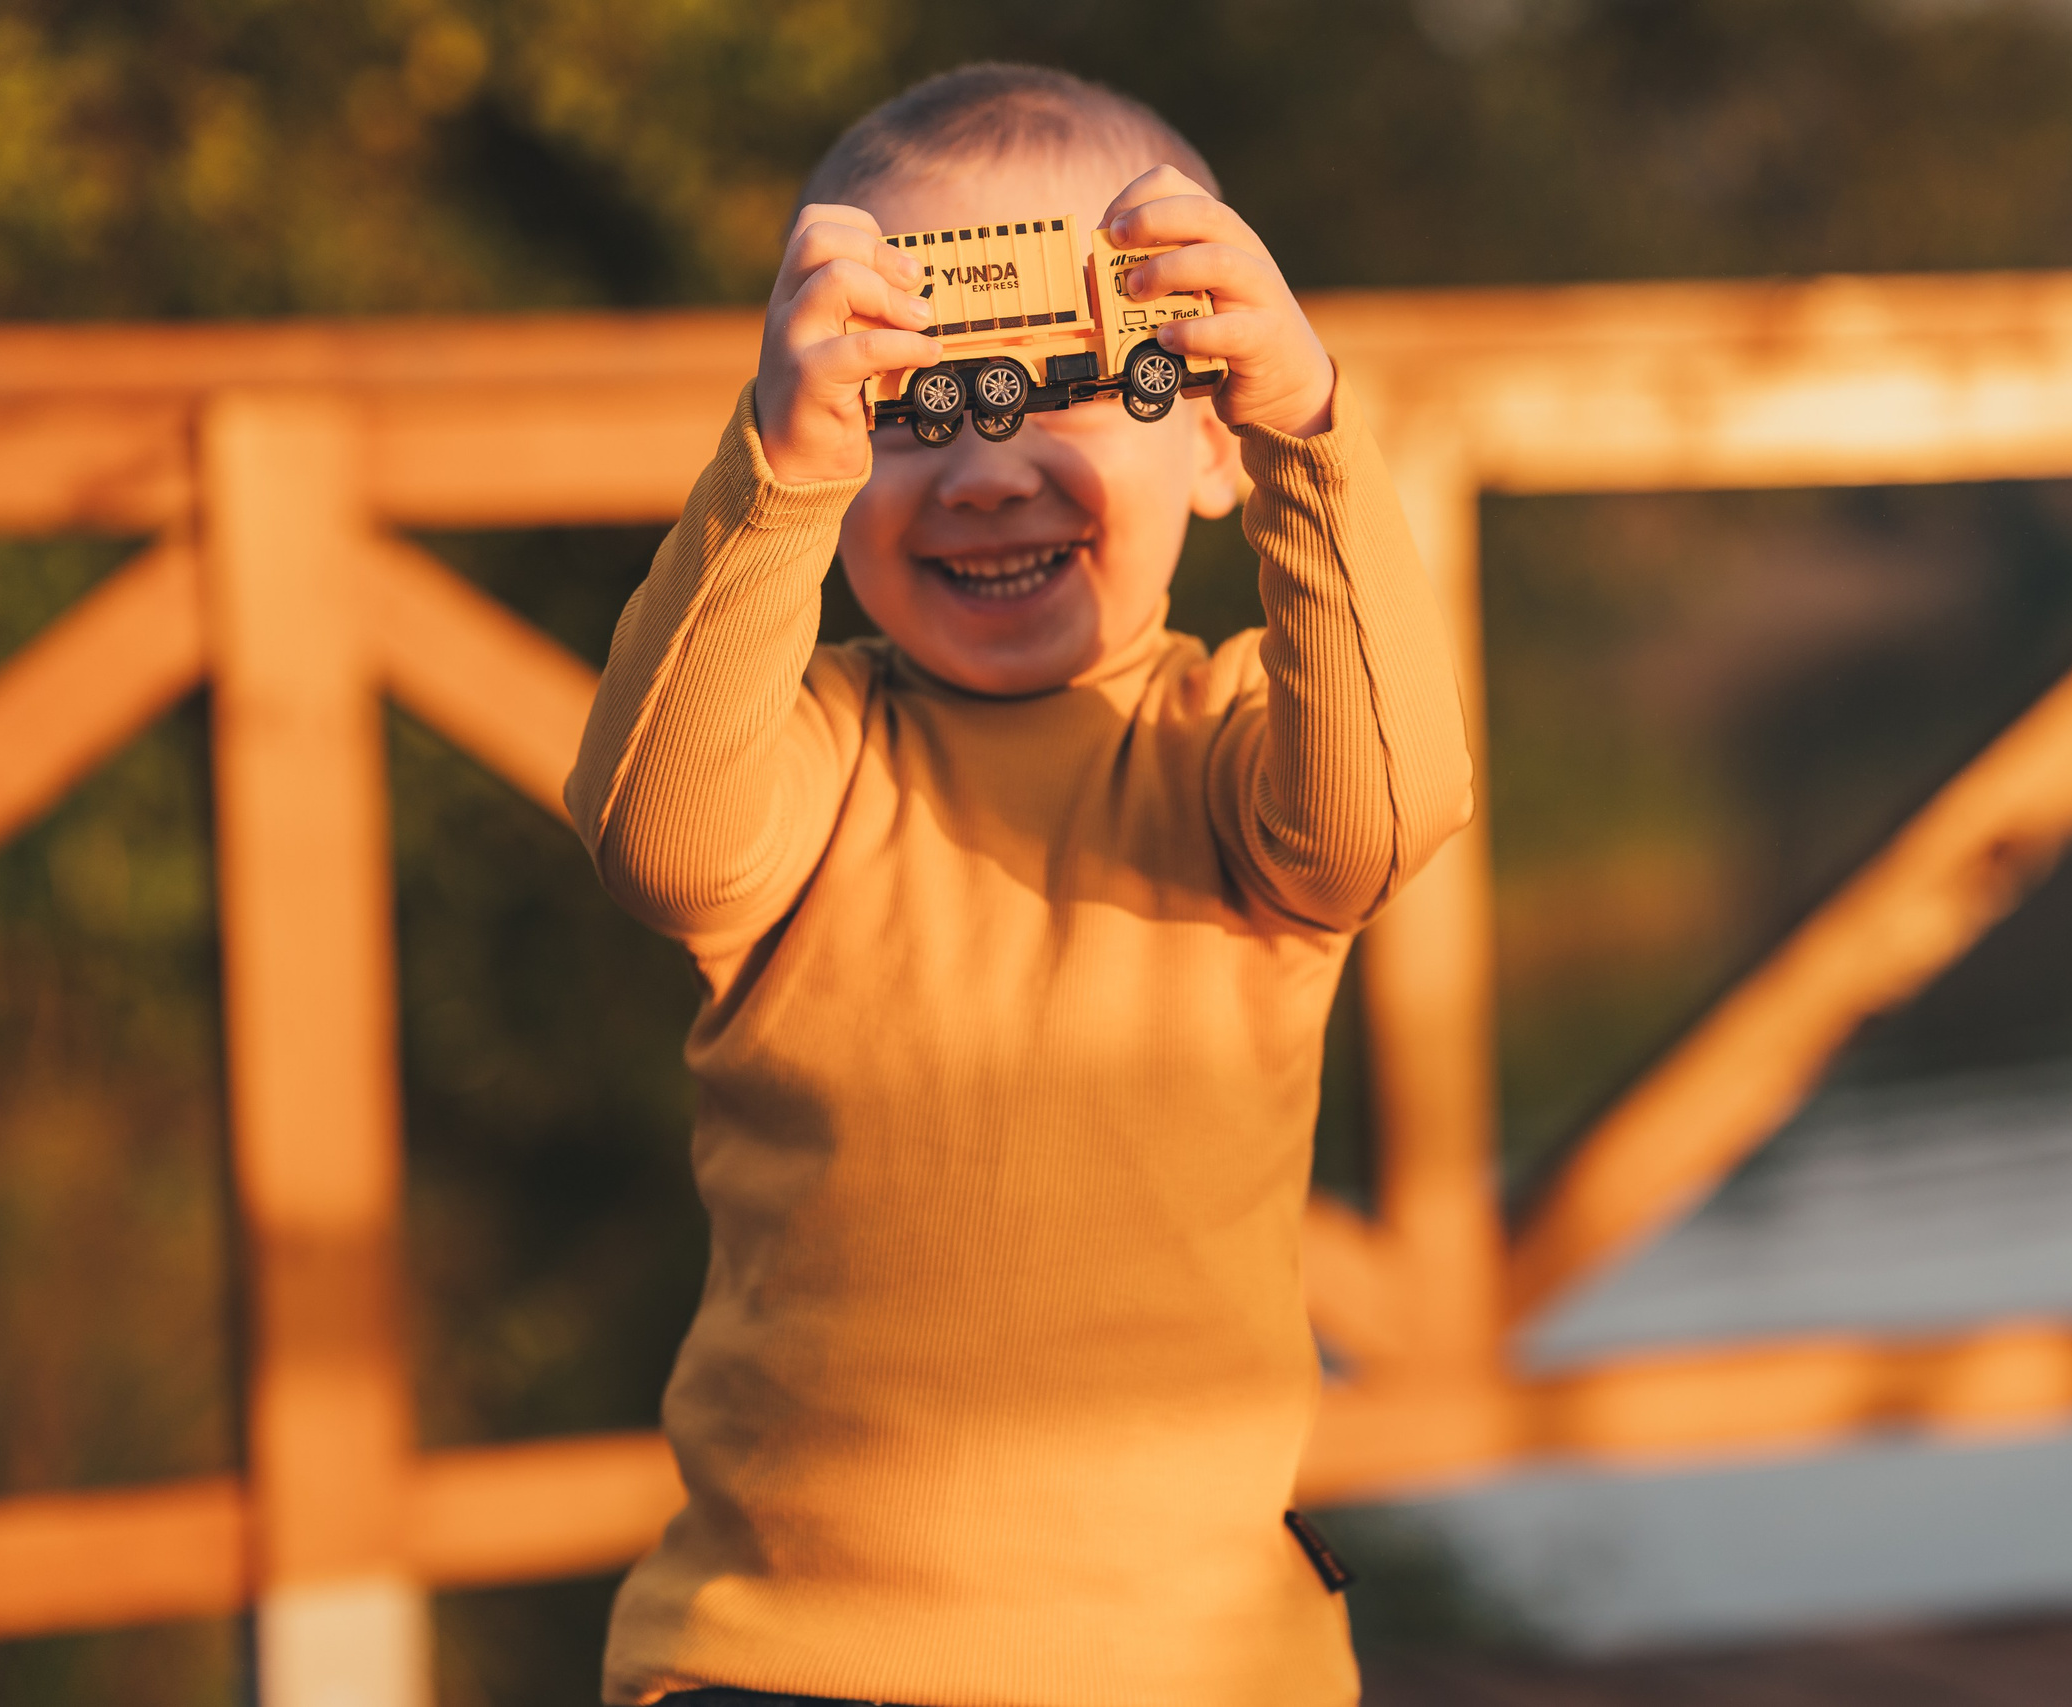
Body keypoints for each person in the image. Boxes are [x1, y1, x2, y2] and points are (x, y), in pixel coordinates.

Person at [565, 61, 1474, 1707]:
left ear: (1208, 437)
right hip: (782, 1662)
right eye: (912, 408)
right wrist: (777, 476)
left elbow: (1384, 818)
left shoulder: (1231, 752)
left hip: (1193, 1669)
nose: (982, 470)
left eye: (1068, 382)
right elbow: (656, 833)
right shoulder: (818, 757)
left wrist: (1313, 439)